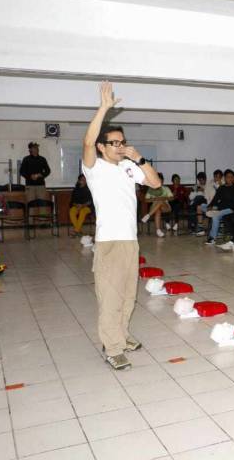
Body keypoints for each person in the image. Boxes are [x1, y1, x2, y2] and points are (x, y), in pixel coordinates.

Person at [82, 82, 161, 370]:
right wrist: (103, 108)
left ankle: (122, 335)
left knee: (129, 295)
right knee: (110, 297)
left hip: (130, 241)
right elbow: (87, 142)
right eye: (114, 143)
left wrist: (138, 158)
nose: (119, 146)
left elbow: (155, 183)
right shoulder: (94, 168)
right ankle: (113, 347)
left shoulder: (129, 166)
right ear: (102, 147)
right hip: (109, 242)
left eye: (122, 142)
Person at [204, 169, 234, 245]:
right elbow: (215, 198)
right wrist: (210, 206)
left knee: (215, 215)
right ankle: (212, 238)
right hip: (222, 210)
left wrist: (219, 207)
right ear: (225, 178)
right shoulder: (221, 188)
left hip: (232, 209)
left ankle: (212, 237)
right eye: (228, 177)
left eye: (231, 177)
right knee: (214, 216)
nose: (230, 178)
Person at [20, 141, 52, 219]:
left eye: (37, 148)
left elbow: (48, 171)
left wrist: (41, 175)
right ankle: (31, 222)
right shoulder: (26, 159)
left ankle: (43, 221)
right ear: (30, 150)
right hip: (30, 186)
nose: (36, 149)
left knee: (42, 204)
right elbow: (22, 171)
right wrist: (30, 176)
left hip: (41, 185)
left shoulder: (42, 159)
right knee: (30, 204)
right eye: (34, 148)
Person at [141, 173, 173, 238]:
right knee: (158, 210)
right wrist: (155, 199)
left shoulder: (166, 188)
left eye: (161, 181)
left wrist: (164, 198)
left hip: (165, 207)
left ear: (163, 181)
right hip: (154, 207)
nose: (159, 183)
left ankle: (148, 215)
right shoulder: (151, 189)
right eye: (158, 181)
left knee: (160, 201)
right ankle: (158, 230)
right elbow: (146, 200)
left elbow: (172, 198)